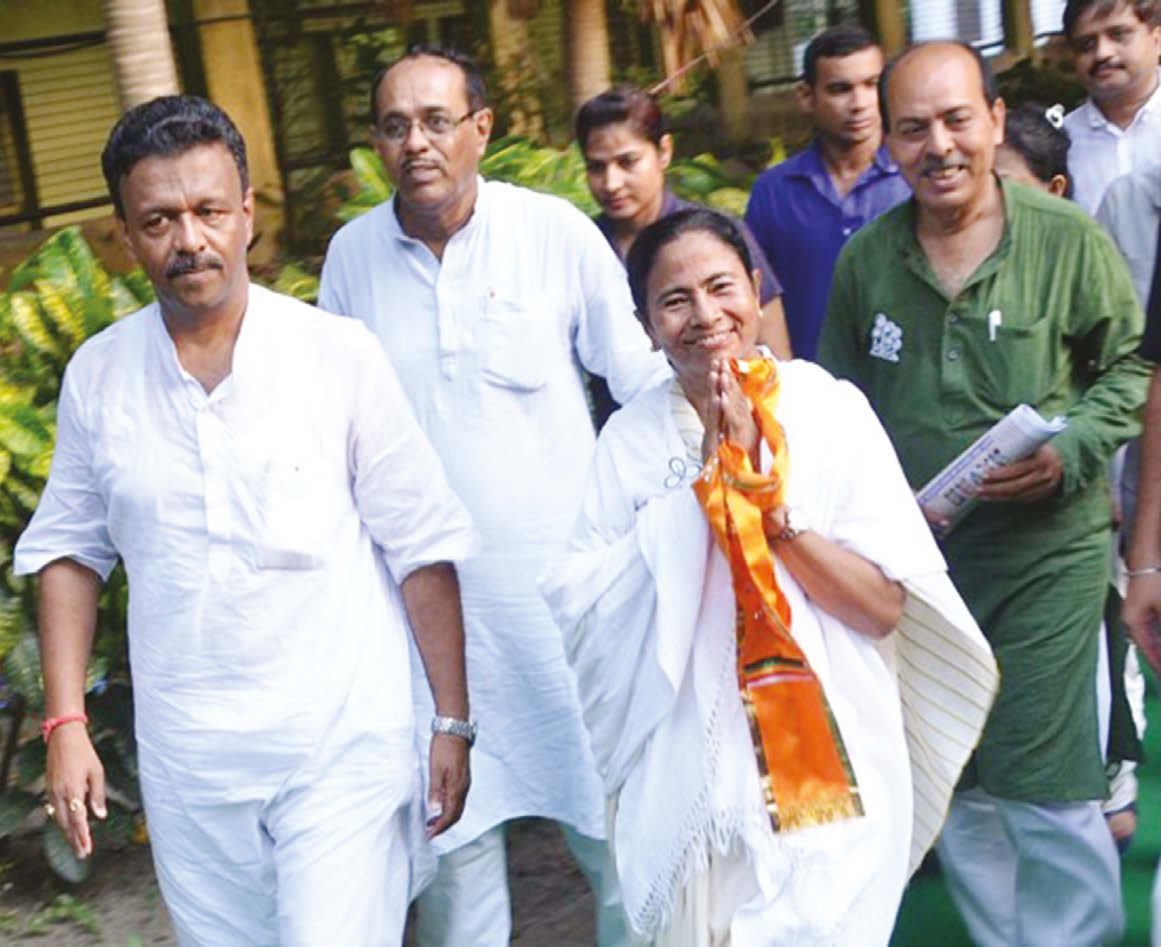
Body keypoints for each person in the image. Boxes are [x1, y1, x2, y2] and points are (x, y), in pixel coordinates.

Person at [18, 95, 478, 945]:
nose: (188, 239)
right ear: (124, 235)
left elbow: (421, 549)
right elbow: (71, 553)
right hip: (193, 768)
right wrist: (65, 723)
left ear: (247, 214)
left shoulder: (337, 355)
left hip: (340, 746)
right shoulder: (100, 375)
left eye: (208, 211)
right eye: (158, 219)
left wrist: (450, 718)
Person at [541, 207, 997, 945]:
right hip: (688, 779)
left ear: (754, 290)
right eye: (674, 300)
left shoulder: (827, 410)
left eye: (720, 286)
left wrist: (765, 505)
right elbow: (582, 608)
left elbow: (882, 605)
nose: (704, 315)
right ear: (645, 323)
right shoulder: (628, 443)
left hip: (824, 757)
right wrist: (689, 511)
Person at [318, 45, 667, 946]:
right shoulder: (352, 258)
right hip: (431, 631)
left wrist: (732, 409)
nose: (415, 143)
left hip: (565, 611)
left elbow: (635, 380)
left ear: (480, 129)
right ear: (374, 141)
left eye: (436, 121)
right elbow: (335, 430)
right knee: (454, 866)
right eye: (394, 126)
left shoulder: (553, 231)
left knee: (621, 851)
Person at [818, 42, 1150, 946]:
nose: (939, 146)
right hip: (922, 569)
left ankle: (1074, 937)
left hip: (1048, 554)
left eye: (957, 120)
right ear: (887, 140)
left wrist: (1073, 449)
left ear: (995, 121)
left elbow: (1128, 368)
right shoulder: (867, 265)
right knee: (954, 770)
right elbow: (837, 412)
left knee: (1040, 778)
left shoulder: (1064, 239)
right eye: (913, 127)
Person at [576, 86, 791, 359]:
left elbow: (775, 353)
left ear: (664, 151)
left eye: (628, 162)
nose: (611, 183)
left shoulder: (716, 235)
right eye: (596, 167)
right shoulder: (583, 246)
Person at [744, 23, 910, 361]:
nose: (860, 103)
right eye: (840, 89)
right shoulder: (773, 192)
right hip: (813, 389)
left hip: (906, 388)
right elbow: (757, 296)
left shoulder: (915, 178)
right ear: (807, 96)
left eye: (871, 85)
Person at [1062, 0, 1161, 215]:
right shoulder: (1063, 142)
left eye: (1118, 34)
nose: (1102, 53)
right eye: (1086, 45)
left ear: (1157, 39)